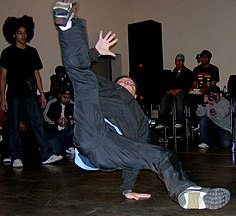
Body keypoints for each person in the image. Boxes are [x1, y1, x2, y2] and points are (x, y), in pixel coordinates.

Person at [54, 1, 230, 209]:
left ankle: (187, 192)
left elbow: (136, 155)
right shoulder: (106, 88)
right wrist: (96, 53)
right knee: (84, 80)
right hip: (92, 129)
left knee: (162, 155)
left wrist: (127, 189)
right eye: (122, 81)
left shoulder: (138, 116)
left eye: (130, 83)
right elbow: (79, 73)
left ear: (136, 95)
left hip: (115, 148)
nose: (126, 82)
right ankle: (66, 25)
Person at [0, 15, 63, 167]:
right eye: (20, 32)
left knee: (38, 123)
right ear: (14, 34)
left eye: (25, 32)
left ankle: (46, 155)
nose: (23, 35)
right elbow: (2, 75)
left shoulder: (32, 52)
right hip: (14, 95)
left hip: (30, 94)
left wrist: (41, 93)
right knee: (14, 126)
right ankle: (16, 157)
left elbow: (36, 74)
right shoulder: (7, 53)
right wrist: (2, 98)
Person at [156, 54, 193, 129]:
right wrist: (170, 90)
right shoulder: (173, 72)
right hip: (172, 92)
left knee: (179, 99)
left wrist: (179, 90)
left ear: (183, 62)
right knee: (164, 99)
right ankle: (163, 122)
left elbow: (189, 85)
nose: (178, 62)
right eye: (177, 61)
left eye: (180, 61)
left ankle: (179, 121)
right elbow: (169, 83)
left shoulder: (188, 72)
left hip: (182, 92)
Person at [189, 50, 220, 129]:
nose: (204, 59)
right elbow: (194, 83)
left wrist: (205, 90)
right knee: (191, 99)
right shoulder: (196, 69)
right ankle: (194, 123)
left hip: (209, 91)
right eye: (202, 57)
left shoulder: (214, 69)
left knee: (213, 92)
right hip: (199, 92)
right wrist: (193, 89)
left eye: (206, 57)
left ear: (209, 58)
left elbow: (213, 84)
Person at [43, 84, 74, 155]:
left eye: (68, 98)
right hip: (54, 132)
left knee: (74, 129)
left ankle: (68, 146)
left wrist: (69, 121)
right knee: (56, 151)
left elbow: (78, 118)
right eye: (64, 97)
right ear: (60, 95)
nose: (66, 99)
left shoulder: (72, 104)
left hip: (67, 130)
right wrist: (55, 122)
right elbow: (44, 115)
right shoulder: (52, 102)